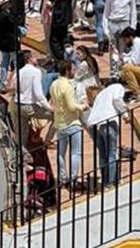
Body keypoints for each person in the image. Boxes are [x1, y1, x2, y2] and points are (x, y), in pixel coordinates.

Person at [49, 59, 87, 187]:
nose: (74, 71)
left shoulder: (54, 84)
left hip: (59, 124)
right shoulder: (67, 86)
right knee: (76, 152)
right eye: (72, 69)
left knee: (61, 153)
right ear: (67, 70)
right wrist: (82, 107)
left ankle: (62, 177)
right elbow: (71, 106)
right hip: (72, 123)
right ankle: (73, 178)